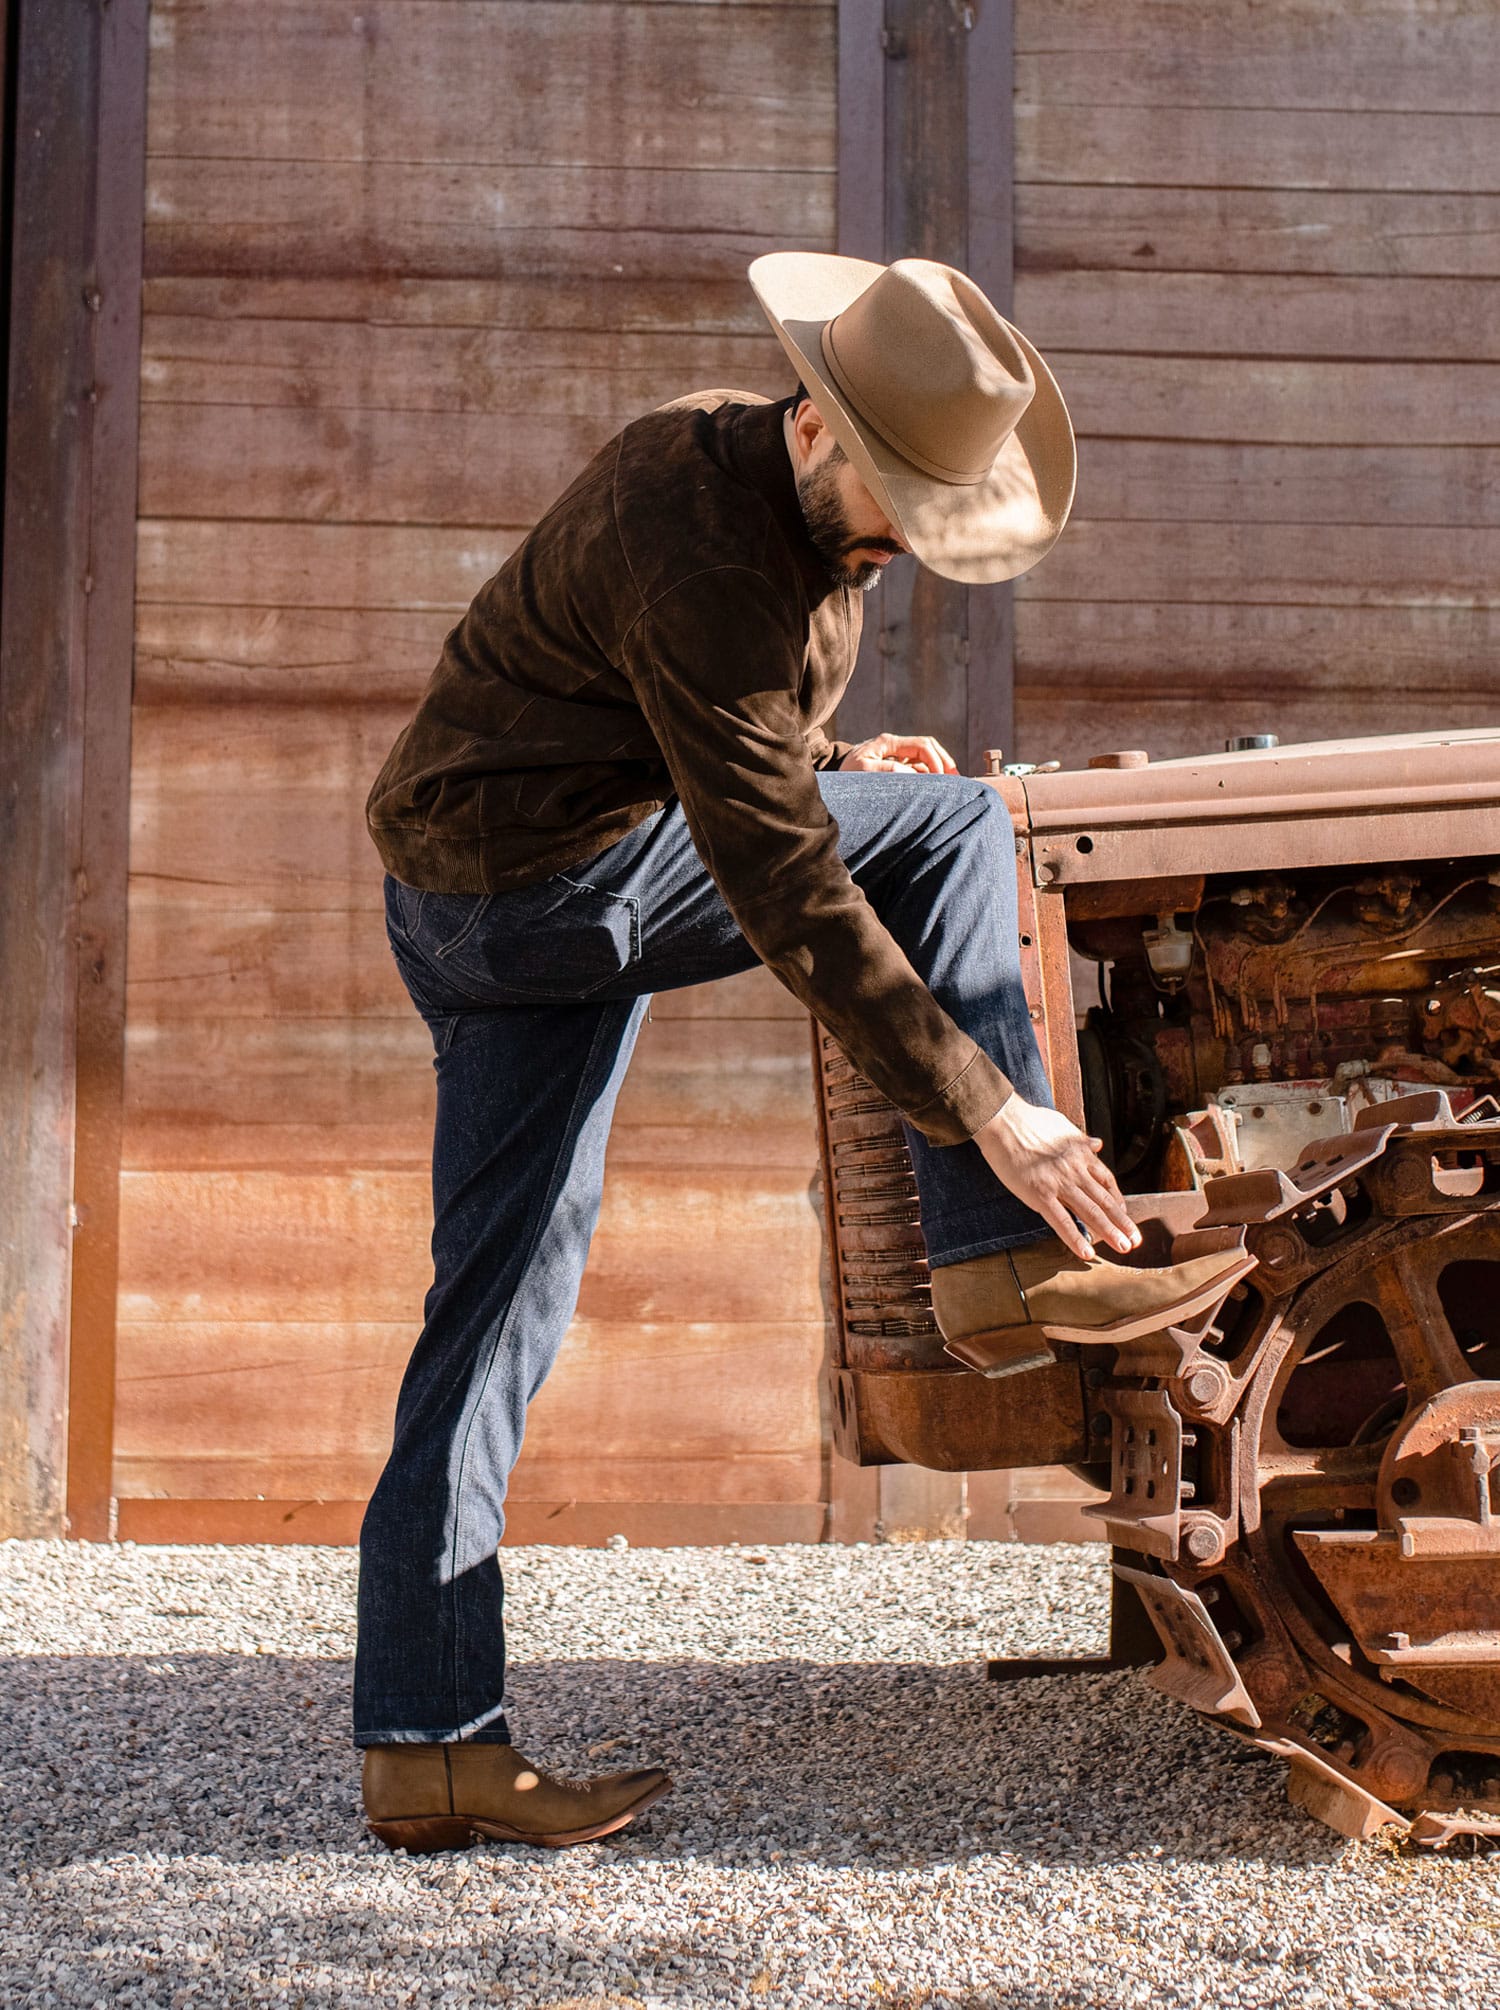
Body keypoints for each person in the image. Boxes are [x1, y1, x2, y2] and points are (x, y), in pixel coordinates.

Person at [355, 253, 1246, 1854]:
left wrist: (833, 756)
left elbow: (687, 711)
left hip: (477, 889)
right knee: (958, 824)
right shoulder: (692, 533)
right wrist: (996, 1114)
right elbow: (784, 882)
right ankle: (999, 1257)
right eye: (901, 499)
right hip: (548, 894)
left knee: (495, 1306)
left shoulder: (772, 496)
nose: (909, 538)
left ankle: (428, 1741)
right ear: (823, 425)